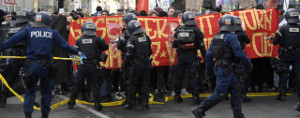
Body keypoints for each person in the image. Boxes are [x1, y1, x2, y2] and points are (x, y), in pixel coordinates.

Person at [0, 11, 79, 118]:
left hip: (32, 66)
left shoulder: (28, 30)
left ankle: (28, 115)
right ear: (47, 21)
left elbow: (13, 40)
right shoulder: (53, 32)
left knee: (30, 92)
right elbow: (64, 45)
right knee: (46, 93)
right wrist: (76, 52)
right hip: (47, 67)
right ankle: (44, 115)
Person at [191, 14, 252, 118]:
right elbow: (239, 53)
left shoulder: (216, 37)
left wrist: (209, 69)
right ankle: (200, 109)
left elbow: (209, 55)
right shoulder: (232, 36)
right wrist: (248, 63)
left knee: (235, 89)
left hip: (221, 67)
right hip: (227, 68)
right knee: (220, 93)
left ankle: (238, 114)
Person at [68, 21, 109, 111]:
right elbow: (106, 47)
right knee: (95, 85)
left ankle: (71, 102)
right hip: (94, 65)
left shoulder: (79, 40)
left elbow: (75, 52)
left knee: (78, 84)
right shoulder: (98, 39)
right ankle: (97, 104)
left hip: (82, 65)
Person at [172, 11, 206, 105]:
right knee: (194, 76)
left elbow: (174, 45)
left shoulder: (178, 30)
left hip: (181, 56)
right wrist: (206, 57)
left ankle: (177, 96)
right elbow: (202, 46)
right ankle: (195, 97)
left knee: (179, 76)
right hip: (192, 56)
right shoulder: (197, 30)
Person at [273, 8, 300, 111]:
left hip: (285, 54)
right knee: (298, 75)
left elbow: (275, 42)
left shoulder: (283, 28)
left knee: (284, 73)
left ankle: (282, 95)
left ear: (287, 17)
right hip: (298, 54)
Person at [124, 20, 152, 110]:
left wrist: (125, 65)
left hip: (136, 65)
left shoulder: (132, 39)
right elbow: (150, 51)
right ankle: (145, 103)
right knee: (145, 84)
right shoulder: (146, 37)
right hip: (146, 64)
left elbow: (129, 54)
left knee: (132, 84)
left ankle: (131, 104)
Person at [117, 13, 138, 105]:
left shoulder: (125, 32)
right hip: (139, 60)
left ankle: (129, 100)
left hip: (128, 59)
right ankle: (141, 99)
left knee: (127, 80)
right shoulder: (142, 32)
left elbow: (119, 45)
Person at [233, 16, 251, 102]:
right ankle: (243, 95)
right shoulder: (242, 33)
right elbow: (248, 41)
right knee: (243, 76)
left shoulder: (229, 34)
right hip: (240, 57)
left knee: (229, 76)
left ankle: (226, 95)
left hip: (230, 57)